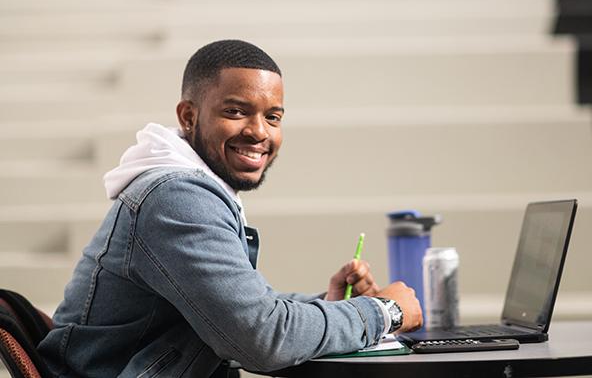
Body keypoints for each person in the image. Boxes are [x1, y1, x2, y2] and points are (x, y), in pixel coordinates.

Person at [38, 40, 423, 377]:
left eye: (273, 117)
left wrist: (330, 306)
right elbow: (263, 338)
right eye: (237, 112)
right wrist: (383, 311)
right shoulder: (176, 198)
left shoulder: (191, 188)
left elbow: (253, 312)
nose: (259, 131)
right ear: (189, 117)